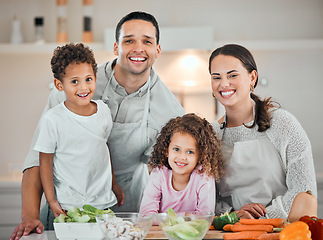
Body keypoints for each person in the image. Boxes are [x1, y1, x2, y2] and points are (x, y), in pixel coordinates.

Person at [10, 11, 185, 240]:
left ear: (157, 50)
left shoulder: (170, 111)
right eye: (129, 40)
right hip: (66, 210)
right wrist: (30, 215)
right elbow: (38, 156)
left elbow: (168, 174)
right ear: (116, 47)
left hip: (128, 212)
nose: (138, 48)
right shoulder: (78, 81)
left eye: (147, 41)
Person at [208, 44, 317, 221]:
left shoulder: (282, 123)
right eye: (216, 77)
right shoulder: (211, 135)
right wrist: (234, 217)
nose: (224, 84)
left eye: (233, 75)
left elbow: (304, 190)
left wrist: (258, 220)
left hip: (281, 230)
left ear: (252, 77)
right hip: (232, 231)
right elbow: (208, 199)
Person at [36, 43, 119, 228]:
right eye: (74, 81)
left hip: (102, 204)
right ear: (59, 84)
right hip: (66, 205)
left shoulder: (104, 111)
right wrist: (51, 200)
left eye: (88, 79)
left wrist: (114, 184)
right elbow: (45, 161)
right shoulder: (53, 119)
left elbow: (104, 150)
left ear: (96, 78)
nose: (83, 87)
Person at [139, 113, 224, 218]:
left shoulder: (204, 177)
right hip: (161, 233)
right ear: (166, 150)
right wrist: (187, 216)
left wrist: (165, 218)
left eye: (190, 152)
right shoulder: (159, 173)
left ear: (201, 156)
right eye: (176, 149)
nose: (182, 157)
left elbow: (205, 217)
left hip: (194, 233)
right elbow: (145, 216)